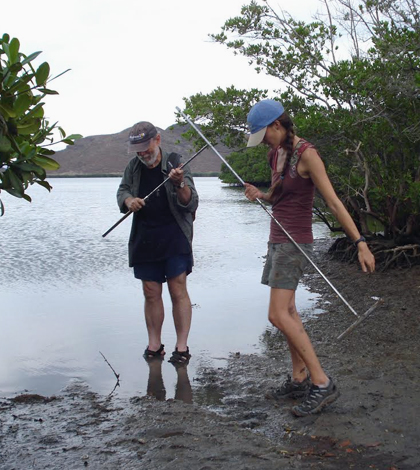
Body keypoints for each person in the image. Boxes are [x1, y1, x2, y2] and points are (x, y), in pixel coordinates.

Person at [244, 99, 375, 417]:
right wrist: (260, 195)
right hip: (277, 238)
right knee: (288, 310)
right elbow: (278, 192)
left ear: (278, 125)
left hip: (295, 242)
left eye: (265, 134)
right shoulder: (276, 152)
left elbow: (332, 202)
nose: (264, 142)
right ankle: (299, 378)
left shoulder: (308, 154)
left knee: (277, 315)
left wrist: (359, 242)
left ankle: (321, 382)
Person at [117, 121, 198, 364]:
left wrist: (179, 182)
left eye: (145, 147)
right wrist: (130, 200)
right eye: (138, 150)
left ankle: (181, 347)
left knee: (177, 287)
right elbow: (122, 192)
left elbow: (190, 202)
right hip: (145, 236)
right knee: (150, 292)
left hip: (175, 235)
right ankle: (155, 344)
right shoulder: (133, 167)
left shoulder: (176, 163)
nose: (143, 154)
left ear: (157, 140)